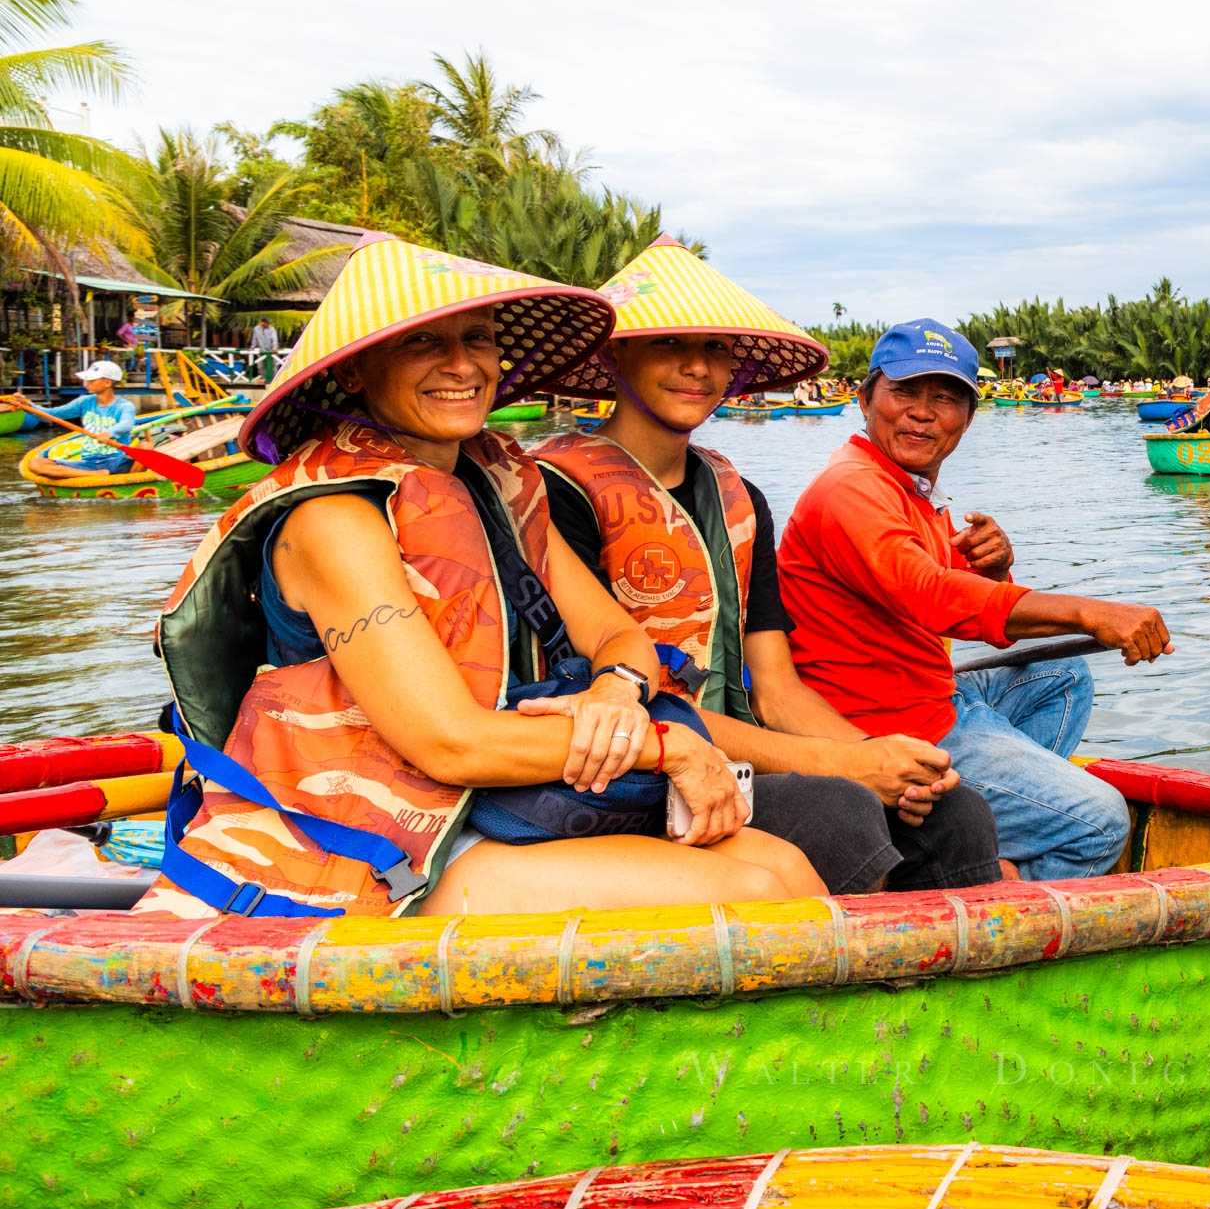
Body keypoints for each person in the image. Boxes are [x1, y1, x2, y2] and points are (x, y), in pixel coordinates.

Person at [141, 234, 822, 920]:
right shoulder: (333, 521)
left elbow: (619, 634)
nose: (462, 364)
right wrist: (662, 744)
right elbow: (451, 740)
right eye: (422, 343)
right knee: (757, 895)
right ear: (354, 372)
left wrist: (616, 695)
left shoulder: (495, 486)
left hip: (489, 807)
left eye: (478, 337)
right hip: (370, 844)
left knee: (788, 865)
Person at [531, 240, 998, 894]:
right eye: (671, 344)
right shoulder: (557, 493)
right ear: (616, 352)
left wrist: (876, 758)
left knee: (950, 810)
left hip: (743, 751)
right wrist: (846, 767)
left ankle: (953, 981)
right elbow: (607, 699)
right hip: (628, 767)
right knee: (843, 811)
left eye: (717, 348)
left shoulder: (740, 496)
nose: (697, 367)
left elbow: (775, 688)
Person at [779, 319, 1173, 882]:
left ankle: (982, 819)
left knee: (1062, 673)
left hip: (930, 692)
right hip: (882, 722)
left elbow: (962, 599)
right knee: (1102, 822)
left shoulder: (911, 489)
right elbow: (935, 597)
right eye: (904, 392)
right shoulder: (851, 488)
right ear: (865, 399)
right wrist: (1090, 611)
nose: (922, 412)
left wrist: (1000, 566)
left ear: (968, 417)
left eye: (944, 399)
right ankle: (994, 878)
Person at [2, 360, 137, 474]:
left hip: (116, 460)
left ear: (107, 383)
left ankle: (104, 477)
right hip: (88, 462)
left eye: (91, 380)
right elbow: (52, 415)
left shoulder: (124, 406)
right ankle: (93, 476)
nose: (86, 384)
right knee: (36, 464)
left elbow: (126, 424)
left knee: (145, 446)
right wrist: (28, 404)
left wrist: (110, 433)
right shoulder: (84, 401)